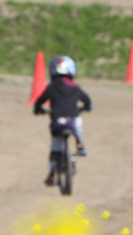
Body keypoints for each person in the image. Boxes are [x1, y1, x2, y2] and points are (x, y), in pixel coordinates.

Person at [33, 55, 92, 186]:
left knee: (55, 149)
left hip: (57, 122)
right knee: (77, 126)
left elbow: (40, 100)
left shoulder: (52, 87)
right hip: (73, 121)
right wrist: (88, 107)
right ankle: (79, 143)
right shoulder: (75, 86)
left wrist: (37, 109)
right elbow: (87, 100)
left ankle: (52, 175)